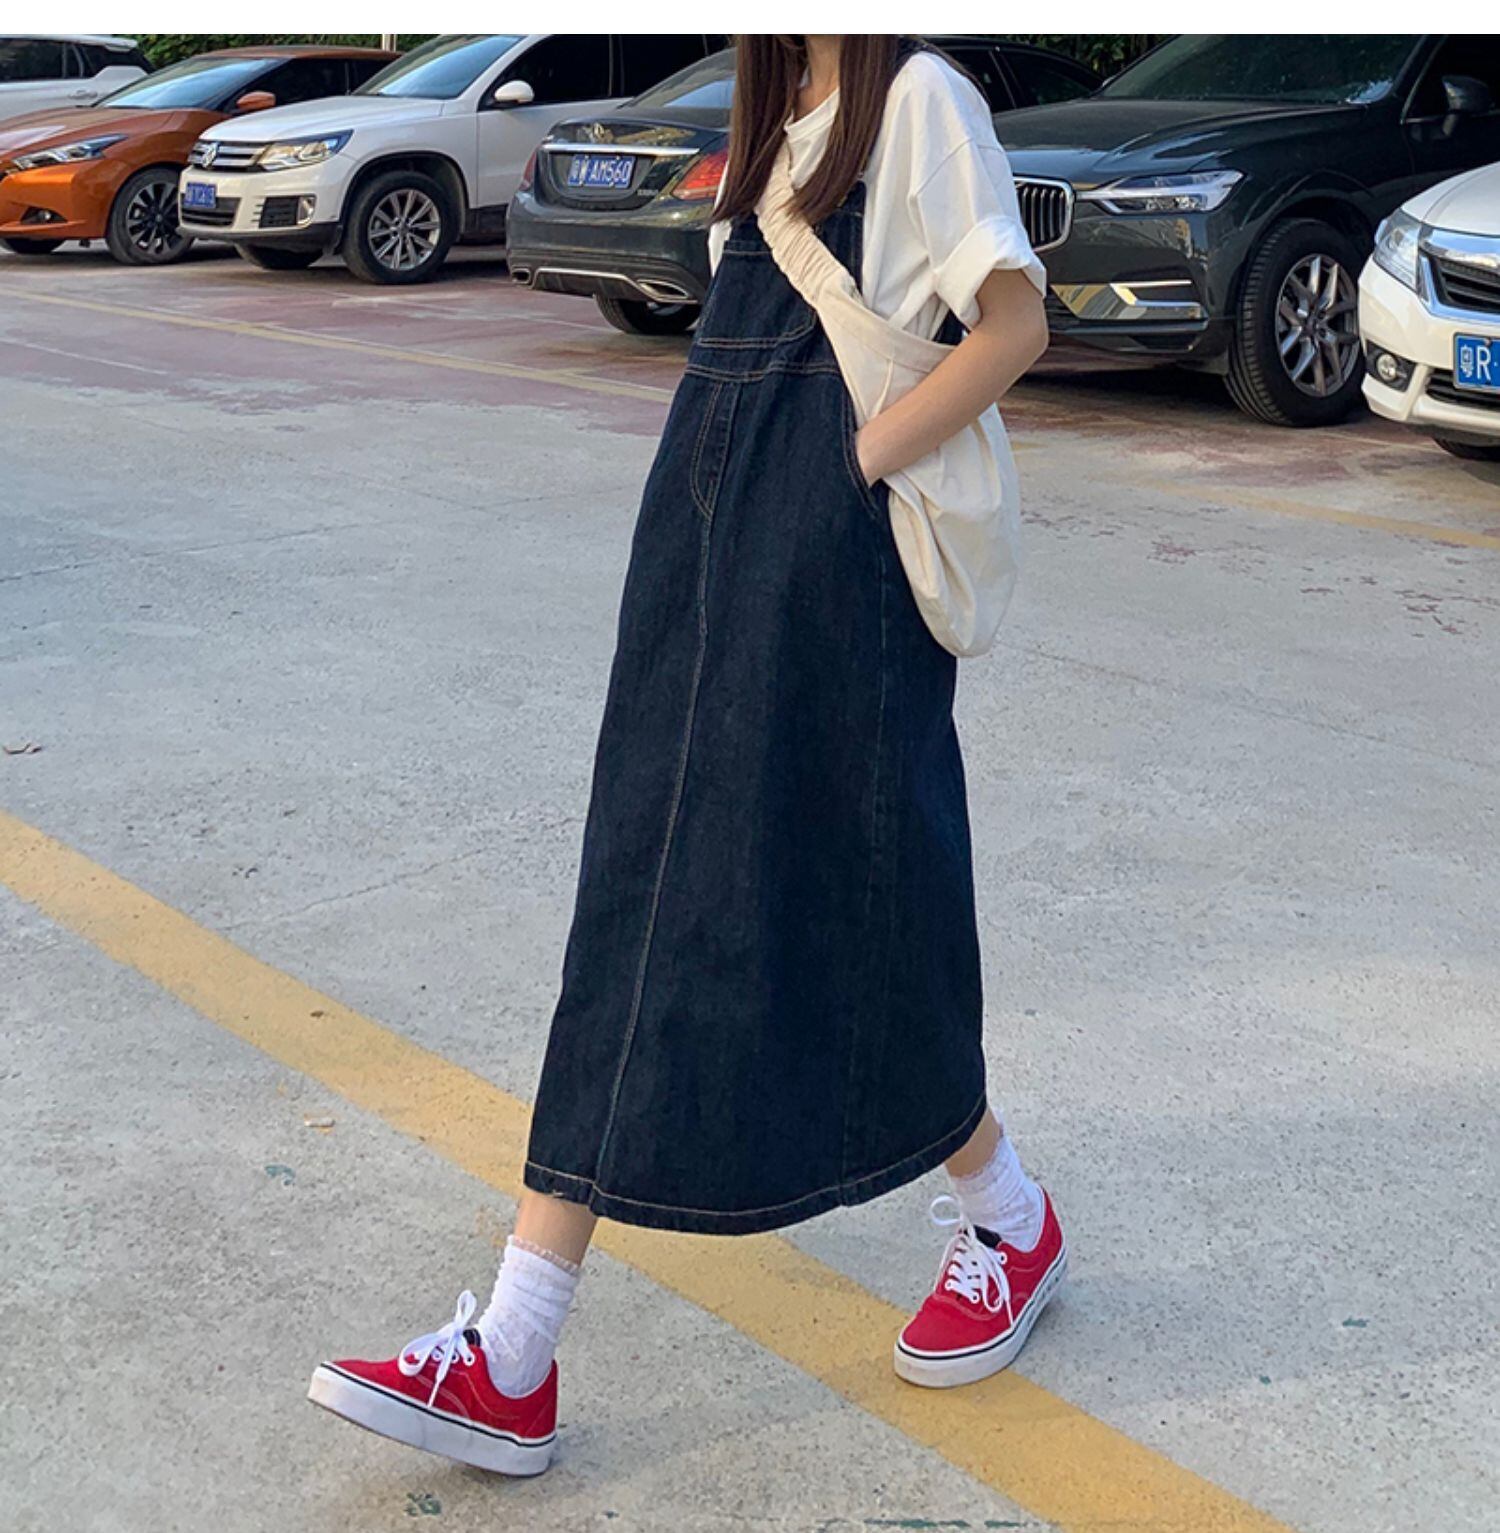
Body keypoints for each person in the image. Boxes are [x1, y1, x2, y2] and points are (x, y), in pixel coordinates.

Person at [307, 33, 1062, 1475]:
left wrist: (848, 469)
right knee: (648, 889)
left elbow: (1013, 325)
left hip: (839, 556)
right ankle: (518, 1346)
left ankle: (1005, 1220)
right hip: (706, 544)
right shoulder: (771, 118)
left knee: (864, 891)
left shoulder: (920, 100)